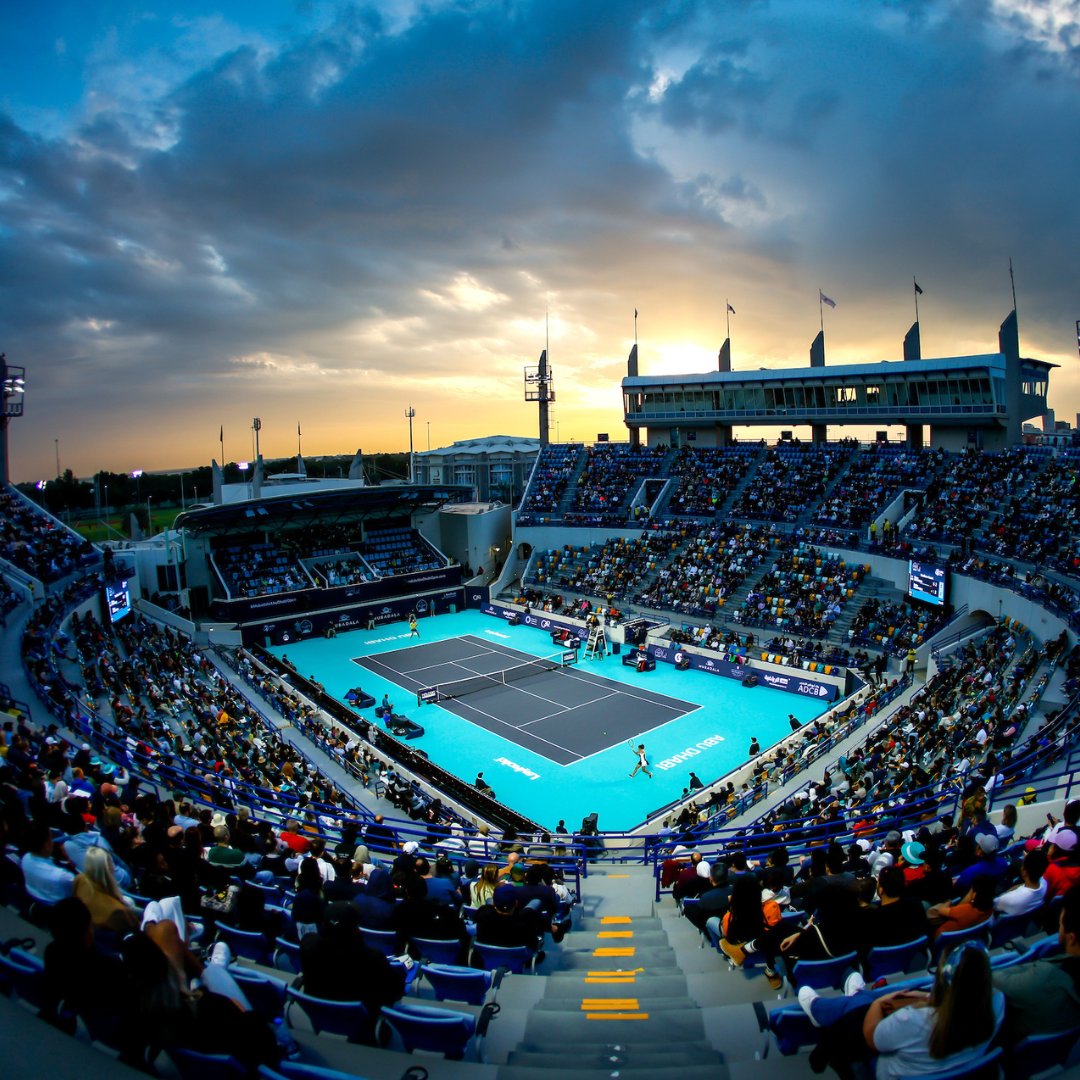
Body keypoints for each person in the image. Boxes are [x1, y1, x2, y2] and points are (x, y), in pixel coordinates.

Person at [802, 939, 1002, 1077]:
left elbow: (870, 1037)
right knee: (861, 1001)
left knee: (859, 1010)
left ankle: (818, 1008)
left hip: (891, 1072)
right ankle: (853, 995)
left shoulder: (913, 1020)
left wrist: (879, 1003)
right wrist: (928, 996)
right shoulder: (997, 1003)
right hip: (954, 1070)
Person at [74, 845, 140, 935]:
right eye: (111, 863)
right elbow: (137, 929)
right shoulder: (119, 911)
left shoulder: (79, 879)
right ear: (108, 869)